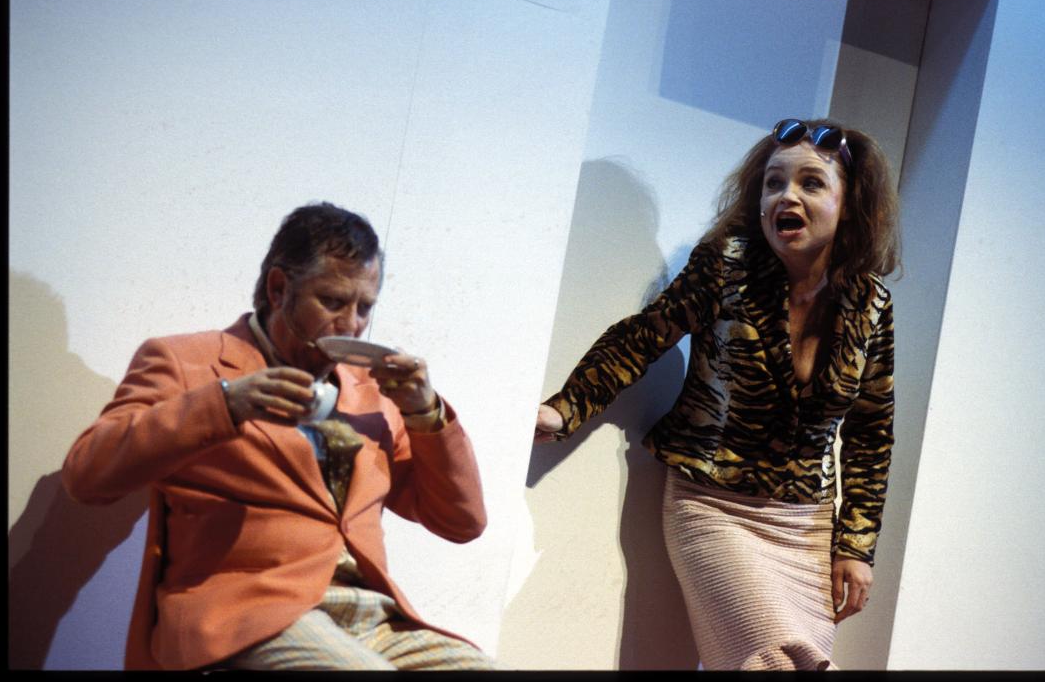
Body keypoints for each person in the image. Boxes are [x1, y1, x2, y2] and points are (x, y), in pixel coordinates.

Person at [62, 202, 495, 671]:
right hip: (247, 612)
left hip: (374, 617)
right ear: (278, 288)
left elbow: (461, 523)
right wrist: (225, 404)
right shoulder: (186, 362)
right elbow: (87, 476)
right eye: (332, 302)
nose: (351, 324)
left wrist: (424, 413)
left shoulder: (374, 392)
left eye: (365, 307)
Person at [535, 118, 899, 671]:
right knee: (773, 660)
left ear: (850, 204)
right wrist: (564, 409)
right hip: (712, 504)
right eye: (773, 183)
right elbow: (641, 338)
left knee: (797, 664)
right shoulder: (726, 266)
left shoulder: (871, 304)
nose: (786, 196)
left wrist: (855, 546)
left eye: (810, 183)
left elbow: (872, 432)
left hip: (805, 523)